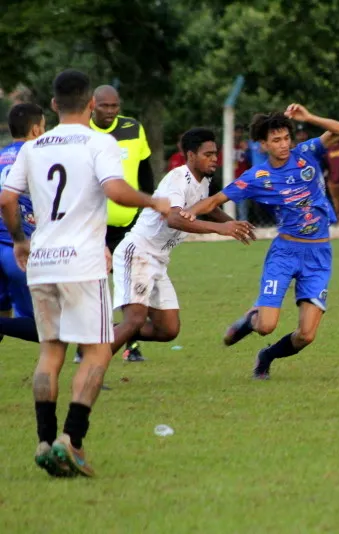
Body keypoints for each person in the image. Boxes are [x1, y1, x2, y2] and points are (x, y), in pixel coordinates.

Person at [0, 69, 170, 477]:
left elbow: (7, 199)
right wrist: (154, 201)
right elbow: (115, 190)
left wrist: (21, 240)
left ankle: (44, 440)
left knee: (50, 352)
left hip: (41, 262)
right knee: (95, 350)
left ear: (55, 105)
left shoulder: (33, 147)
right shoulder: (100, 142)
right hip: (82, 261)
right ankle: (71, 440)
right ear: (92, 104)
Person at [186, 104, 339, 380]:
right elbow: (215, 200)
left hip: (319, 253)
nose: (284, 145)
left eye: (286, 138)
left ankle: (267, 356)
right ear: (262, 145)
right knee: (266, 326)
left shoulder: (307, 153)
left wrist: (309, 117)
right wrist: (186, 212)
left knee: (306, 335)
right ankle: (252, 319)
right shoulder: (257, 177)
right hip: (285, 252)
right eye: (276, 140)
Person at [108, 128, 255, 361]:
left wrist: (233, 223)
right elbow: (174, 217)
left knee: (168, 330)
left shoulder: (202, 182)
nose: (214, 158)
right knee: (135, 319)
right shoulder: (178, 178)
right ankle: (91, 366)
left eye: (215, 153)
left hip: (157, 260)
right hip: (138, 252)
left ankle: (101, 335)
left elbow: (208, 207)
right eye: (208, 154)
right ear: (191, 155)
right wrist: (220, 229)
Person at [86, 84, 155, 363]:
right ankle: (89, 345)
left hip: (131, 224)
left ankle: (132, 344)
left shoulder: (132, 128)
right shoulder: (81, 133)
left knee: (134, 286)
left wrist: (149, 207)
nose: (111, 111)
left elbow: (145, 171)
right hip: (93, 227)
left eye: (115, 106)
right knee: (95, 286)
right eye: (105, 106)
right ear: (92, 105)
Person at [0, 103, 45, 344]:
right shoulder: (37, 156)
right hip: (18, 248)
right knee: (42, 327)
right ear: (37, 129)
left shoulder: (1, 155)